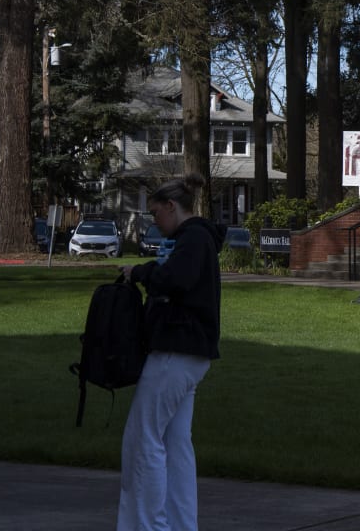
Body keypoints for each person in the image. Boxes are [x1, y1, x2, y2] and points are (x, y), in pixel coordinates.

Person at [118, 173, 223, 531]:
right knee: (175, 443)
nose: (154, 222)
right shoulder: (198, 238)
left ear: (171, 206)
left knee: (143, 441)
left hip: (175, 351)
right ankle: (180, 524)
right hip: (191, 353)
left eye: (156, 214)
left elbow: (176, 279)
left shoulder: (192, 239)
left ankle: (148, 525)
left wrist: (139, 272)